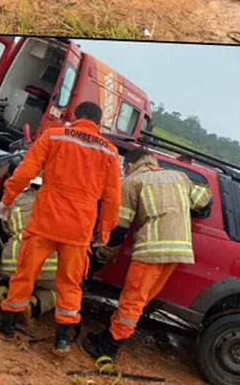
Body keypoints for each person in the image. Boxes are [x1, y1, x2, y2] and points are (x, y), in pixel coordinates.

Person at [0, 101, 121, 353]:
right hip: (79, 228)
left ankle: (7, 323)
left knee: (25, 273)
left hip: (46, 220)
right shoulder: (110, 152)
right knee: (70, 284)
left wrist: (7, 200)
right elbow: (113, 196)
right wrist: (104, 230)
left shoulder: (55, 135)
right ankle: (62, 339)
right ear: (98, 123)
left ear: (75, 117)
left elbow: (25, 171)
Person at [82, 147, 213, 361]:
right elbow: (205, 198)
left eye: (125, 168)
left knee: (132, 300)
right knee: (140, 300)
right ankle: (109, 336)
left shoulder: (132, 183)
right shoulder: (179, 176)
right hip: (178, 251)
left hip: (151, 250)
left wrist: (101, 256)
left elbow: (119, 230)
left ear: (131, 166)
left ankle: (108, 348)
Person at [0, 181, 59, 325]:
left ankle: (1, 291)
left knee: (7, 274)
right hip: (50, 267)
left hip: (14, 261)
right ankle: (32, 305)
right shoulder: (60, 205)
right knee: (58, 290)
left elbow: (6, 229)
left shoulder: (16, 199)